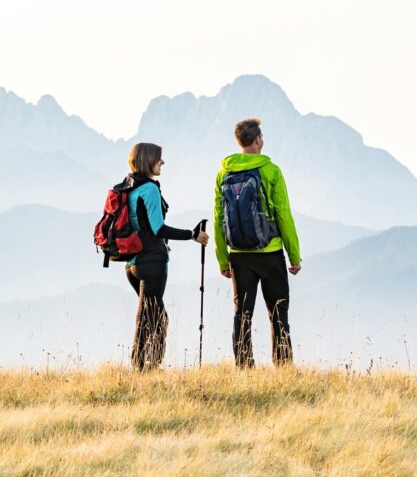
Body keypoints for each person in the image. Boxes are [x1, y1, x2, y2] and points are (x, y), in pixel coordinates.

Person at [214, 118, 302, 368]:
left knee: (242, 314)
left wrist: (223, 259)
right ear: (257, 140)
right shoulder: (271, 171)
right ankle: (283, 367)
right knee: (278, 315)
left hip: (239, 255)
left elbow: (219, 217)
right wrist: (294, 256)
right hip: (270, 252)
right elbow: (283, 215)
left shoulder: (224, 172)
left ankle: (244, 368)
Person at [124, 142, 209, 371]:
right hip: (152, 263)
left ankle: (150, 367)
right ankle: (141, 370)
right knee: (146, 319)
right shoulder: (149, 188)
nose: (162, 162)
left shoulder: (129, 185)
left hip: (132, 264)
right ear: (148, 160)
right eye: (159, 158)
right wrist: (193, 235)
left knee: (158, 317)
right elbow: (158, 229)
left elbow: (140, 225)